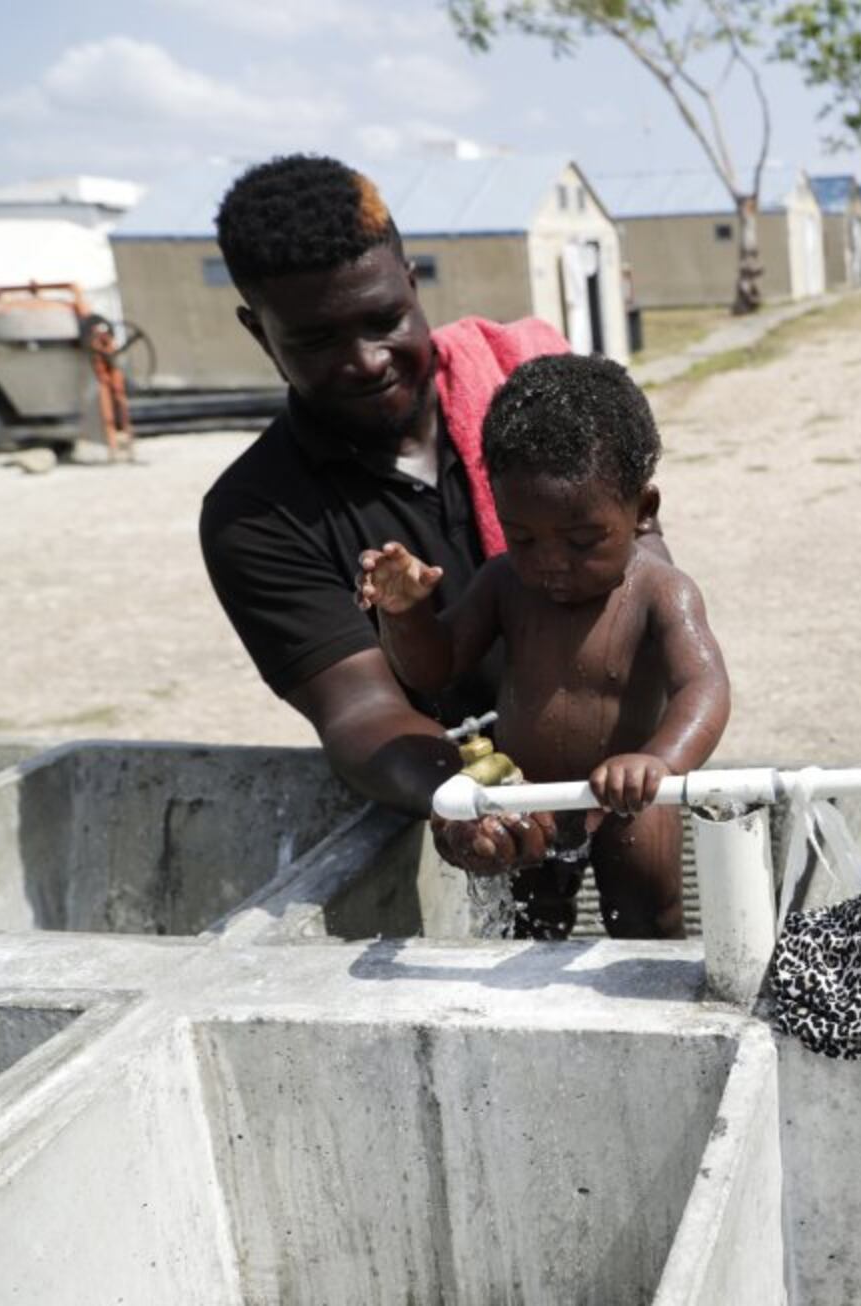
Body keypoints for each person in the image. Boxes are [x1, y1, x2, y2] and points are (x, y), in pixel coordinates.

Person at [198, 154, 667, 877]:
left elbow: (647, 566)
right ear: (259, 332)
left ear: (414, 285)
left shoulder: (538, 405)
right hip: (466, 786)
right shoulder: (255, 515)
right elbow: (358, 711)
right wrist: (465, 796)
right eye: (316, 341)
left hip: (616, 760)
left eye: (385, 319)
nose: (366, 360)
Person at [357, 355, 729, 938]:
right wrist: (406, 615)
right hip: (530, 795)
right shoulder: (505, 582)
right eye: (523, 537)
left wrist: (659, 761)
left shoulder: (661, 591)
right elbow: (436, 668)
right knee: (531, 920)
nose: (552, 563)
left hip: (629, 801)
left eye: (583, 540)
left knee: (647, 917)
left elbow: (702, 687)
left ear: (642, 512)